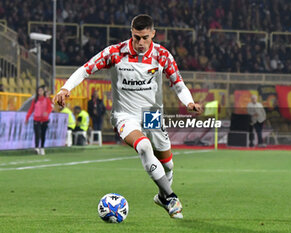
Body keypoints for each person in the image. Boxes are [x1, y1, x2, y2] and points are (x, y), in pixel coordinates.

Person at [53, 14, 202, 219]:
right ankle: (171, 197)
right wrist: (65, 88)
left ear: (153, 34)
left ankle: (161, 196)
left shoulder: (162, 55)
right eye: (136, 37)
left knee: (167, 164)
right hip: (125, 115)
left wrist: (189, 102)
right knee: (143, 146)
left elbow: (178, 83)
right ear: (131, 34)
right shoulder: (115, 53)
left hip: (151, 115)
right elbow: (86, 69)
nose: (140, 42)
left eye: (145, 38)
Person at [25, 86, 52, 155]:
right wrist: (27, 117)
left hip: (44, 119)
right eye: (39, 91)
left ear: (43, 92)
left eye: (41, 91)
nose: (40, 92)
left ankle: (42, 148)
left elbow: (50, 108)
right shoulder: (35, 100)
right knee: (37, 134)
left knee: (43, 134)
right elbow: (31, 109)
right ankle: (36, 147)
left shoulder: (47, 99)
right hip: (36, 119)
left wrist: (47, 112)